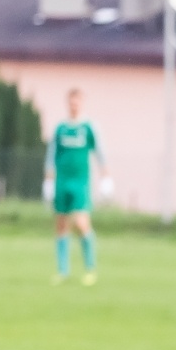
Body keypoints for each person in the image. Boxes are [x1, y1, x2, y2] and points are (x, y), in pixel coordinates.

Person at [43, 89, 111, 286]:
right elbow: (51, 155)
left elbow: (100, 152)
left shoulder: (89, 127)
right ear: (68, 104)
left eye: (77, 102)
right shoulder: (61, 128)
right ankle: (63, 271)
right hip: (61, 181)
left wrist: (106, 177)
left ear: (81, 103)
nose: (74, 106)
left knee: (81, 224)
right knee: (61, 225)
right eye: (71, 102)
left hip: (80, 182)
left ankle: (90, 269)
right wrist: (48, 180)